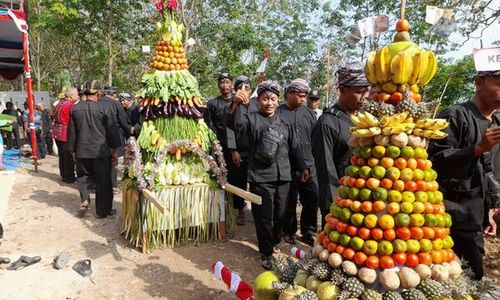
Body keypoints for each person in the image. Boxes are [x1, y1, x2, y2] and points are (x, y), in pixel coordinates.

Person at [228, 80, 308, 269]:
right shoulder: (251, 118)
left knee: (280, 214)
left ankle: (273, 242)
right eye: (265, 99)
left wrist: (303, 166)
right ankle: (265, 251)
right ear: (258, 101)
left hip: (284, 175)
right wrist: (237, 104)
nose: (269, 103)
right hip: (261, 176)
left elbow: (295, 145)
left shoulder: (284, 121)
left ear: (277, 100)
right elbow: (234, 126)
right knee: (264, 215)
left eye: (272, 99)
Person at [428, 70, 500, 280]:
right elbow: (435, 162)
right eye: (498, 83)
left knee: (473, 278)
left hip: (474, 217)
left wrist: (490, 208)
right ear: (479, 83)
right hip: (446, 217)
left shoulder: (495, 124)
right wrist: (476, 149)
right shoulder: (455, 115)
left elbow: (488, 171)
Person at [312, 67, 370, 225]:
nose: (365, 97)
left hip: (363, 196)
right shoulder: (327, 123)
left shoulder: (364, 120)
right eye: (360, 92)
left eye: (367, 91)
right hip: (340, 200)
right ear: (343, 90)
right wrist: (334, 206)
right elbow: (326, 171)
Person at [67, 80, 121, 218]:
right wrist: (114, 150)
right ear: (98, 93)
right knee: (103, 181)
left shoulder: (75, 109)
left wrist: (73, 150)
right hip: (101, 152)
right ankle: (103, 211)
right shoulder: (105, 109)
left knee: (83, 177)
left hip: (82, 150)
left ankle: (85, 199)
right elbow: (112, 131)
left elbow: (72, 132)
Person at [278, 79, 319, 246]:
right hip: (287, 165)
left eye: (305, 96)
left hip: (309, 164)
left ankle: (309, 232)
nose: (303, 99)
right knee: (289, 200)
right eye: (300, 96)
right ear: (289, 93)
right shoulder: (278, 112)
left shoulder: (308, 113)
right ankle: (288, 230)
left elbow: (315, 137)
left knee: (312, 198)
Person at [226, 75, 255, 225]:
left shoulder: (257, 104)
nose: (243, 90)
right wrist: (233, 150)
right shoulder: (231, 105)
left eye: (247, 88)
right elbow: (229, 128)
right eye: (239, 88)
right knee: (238, 181)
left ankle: (257, 212)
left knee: (257, 182)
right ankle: (240, 210)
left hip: (255, 151)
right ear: (235, 90)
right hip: (239, 151)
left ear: (250, 90)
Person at [99, 86, 131, 192]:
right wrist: (129, 131)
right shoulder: (116, 103)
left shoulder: (98, 101)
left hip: (99, 135)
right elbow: (123, 119)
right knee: (113, 159)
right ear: (113, 95)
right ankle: (112, 185)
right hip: (114, 134)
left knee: (100, 160)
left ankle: (98, 184)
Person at [53, 87, 79, 183]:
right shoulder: (70, 105)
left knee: (62, 156)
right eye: (77, 95)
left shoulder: (59, 103)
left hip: (57, 132)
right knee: (68, 156)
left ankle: (64, 175)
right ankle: (69, 177)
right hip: (65, 132)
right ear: (72, 96)